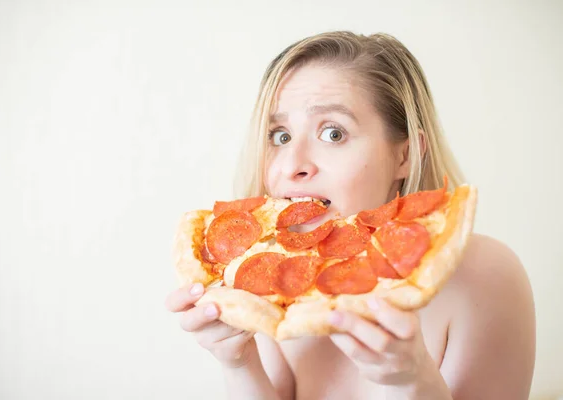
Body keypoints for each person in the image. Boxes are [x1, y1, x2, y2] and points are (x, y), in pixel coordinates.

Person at [165, 31, 536, 399]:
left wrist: (411, 383)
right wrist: (239, 363)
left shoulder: (486, 275)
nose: (293, 164)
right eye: (279, 136)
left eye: (333, 133)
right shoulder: (276, 286)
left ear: (404, 156)